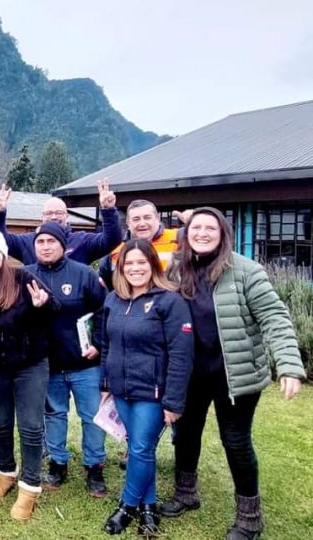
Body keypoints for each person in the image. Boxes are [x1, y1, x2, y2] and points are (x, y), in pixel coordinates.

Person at [159, 207, 305, 540]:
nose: (203, 233)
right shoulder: (178, 269)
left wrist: (288, 364)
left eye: (211, 228)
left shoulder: (246, 271)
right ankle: (185, 493)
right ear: (187, 233)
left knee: (236, 442)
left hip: (235, 375)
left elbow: (274, 317)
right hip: (191, 373)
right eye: (197, 227)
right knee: (185, 433)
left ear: (224, 233)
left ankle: (250, 519)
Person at [98, 239, 194, 536]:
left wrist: (174, 402)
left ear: (154, 264)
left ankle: (127, 506)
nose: (135, 268)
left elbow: (182, 354)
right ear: (121, 268)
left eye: (142, 262)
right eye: (129, 264)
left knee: (140, 447)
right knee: (141, 449)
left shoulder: (170, 300)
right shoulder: (113, 299)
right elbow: (105, 344)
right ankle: (149, 507)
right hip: (121, 389)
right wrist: (104, 383)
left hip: (153, 393)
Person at [0, 231, 58, 522]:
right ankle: (6, 472)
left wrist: (42, 304)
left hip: (30, 364)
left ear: (4, 254)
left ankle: (30, 486)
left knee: (31, 426)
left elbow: (54, 307)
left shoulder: (23, 278)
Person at [24, 222, 109, 497]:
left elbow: (104, 313)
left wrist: (98, 345)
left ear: (63, 245)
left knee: (92, 417)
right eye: (40, 242)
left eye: (52, 241)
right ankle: (58, 463)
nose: (46, 246)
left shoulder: (84, 273)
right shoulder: (24, 276)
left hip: (85, 364)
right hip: (47, 366)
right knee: (54, 415)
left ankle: (94, 466)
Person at [0, 179, 122, 265]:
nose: (53, 217)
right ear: (42, 216)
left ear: (66, 215)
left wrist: (108, 210)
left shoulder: (82, 241)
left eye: (59, 213)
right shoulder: (27, 242)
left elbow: (111, 240)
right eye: (49, 213)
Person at [98, 199, 181, 289]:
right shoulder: (116, 247)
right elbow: (106, 282)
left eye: (147, 218)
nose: (142, 224)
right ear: (128, 223)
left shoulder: (178, 238)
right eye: (136, 219)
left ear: (157, 219)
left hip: (170, 300)